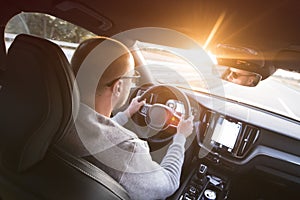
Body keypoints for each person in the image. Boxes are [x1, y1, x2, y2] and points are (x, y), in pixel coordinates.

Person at [58, 37, 194, 200]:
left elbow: (95, 133)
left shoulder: (53, 116)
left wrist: (127, 114)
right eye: (132, 78)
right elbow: (169, 182)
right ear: (118, 86)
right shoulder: (127, 150)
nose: (133, 83)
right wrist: (180, 138)